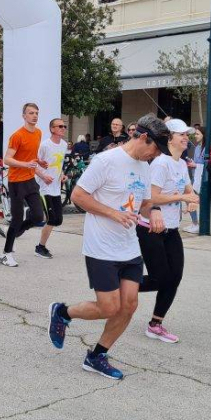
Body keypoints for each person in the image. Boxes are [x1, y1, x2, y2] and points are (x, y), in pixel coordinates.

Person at [48, 115, 169, 379]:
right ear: (143, 137)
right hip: (101, 246)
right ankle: (62, 311)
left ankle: (97, 355)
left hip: (129, 246)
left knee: (129, 305)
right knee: (109, 307)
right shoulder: (106, 160)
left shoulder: (145, 165)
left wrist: (156, 210)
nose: (156, 155)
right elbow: (79, 196)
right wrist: (113, 214)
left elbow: (145, 201)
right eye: (156, 148)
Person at [139, 118, 198, 345]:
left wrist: (192, 200)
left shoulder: (181, 164)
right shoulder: (160, 163)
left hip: (171, 229)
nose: (186, 138)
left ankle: (155, 325)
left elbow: (189, 190)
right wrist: (182, 197)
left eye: (187, 134)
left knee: (175, 277)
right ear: (169, 138)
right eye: (181, 134)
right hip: (150, 229)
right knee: (159, 278)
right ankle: (117, 285)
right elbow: (151, 198)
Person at [0, 103, 48, 267]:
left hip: (30, 180)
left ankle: (18, 229)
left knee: (37, 217)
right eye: (31, 113)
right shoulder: (17, 135)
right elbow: (7, 159)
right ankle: (7, 254)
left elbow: (31, 155)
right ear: (24, 116)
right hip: (16, 182)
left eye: (36, 113)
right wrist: (25, 164)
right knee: (17, 217)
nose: (34, 116)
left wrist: (38, 162)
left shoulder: (39, 133)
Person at [34, 118, 68, 259]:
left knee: (58, 220)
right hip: (44, 187)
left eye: (64, 126)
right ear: (52, 129)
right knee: (52, 218)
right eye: (60, 126)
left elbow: (58, 164)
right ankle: (40, 247)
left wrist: (63, 175)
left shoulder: (64, 145)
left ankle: (21, 226)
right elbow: (33, 164)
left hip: (55, 187)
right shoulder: (45, 145)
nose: (63, 128)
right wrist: (43, 176)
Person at [183, 126, 206, 233]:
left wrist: (195, 164)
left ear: (203, 135)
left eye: (197, 134)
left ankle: (199, 224)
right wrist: (193, 163)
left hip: (202, 179)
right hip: (194, 177)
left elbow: (205, 163)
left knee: (196, 200)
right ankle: (195, 223)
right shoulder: (197, 147)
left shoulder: (207, 148)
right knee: (190, 199)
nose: (195, 136)